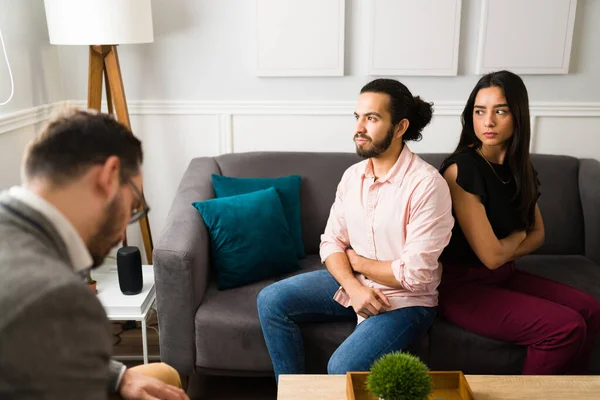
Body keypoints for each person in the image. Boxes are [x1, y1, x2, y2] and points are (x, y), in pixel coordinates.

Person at [257, 78, 454, 382]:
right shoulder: (353, 176)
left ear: (400, 127)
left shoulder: (427, 185)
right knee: (271, 300)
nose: (358, 128)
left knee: (341, 368)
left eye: (372, 118)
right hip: (356, 284)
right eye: (357, 117)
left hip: (405, 302)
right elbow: (331, 243)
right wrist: (354, 287)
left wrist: (358, 262)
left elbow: (414, 275)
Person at [0, 108, 189, 400]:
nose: (128, 219)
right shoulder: (57, 297)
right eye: (134, 202)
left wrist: (118, 376)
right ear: (109, 176)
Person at [438, 70, 600, 374]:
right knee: (564, 328)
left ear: (518, 116)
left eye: (500, 111)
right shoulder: (462, 170)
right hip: (459, 287)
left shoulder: (518, 166)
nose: (488, 122)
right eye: (479, 111)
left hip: (503, 276)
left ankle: (571, 394)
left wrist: (507, 246)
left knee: (590, 310)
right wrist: (516, 237)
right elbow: (491, 256)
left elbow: (539, 234)